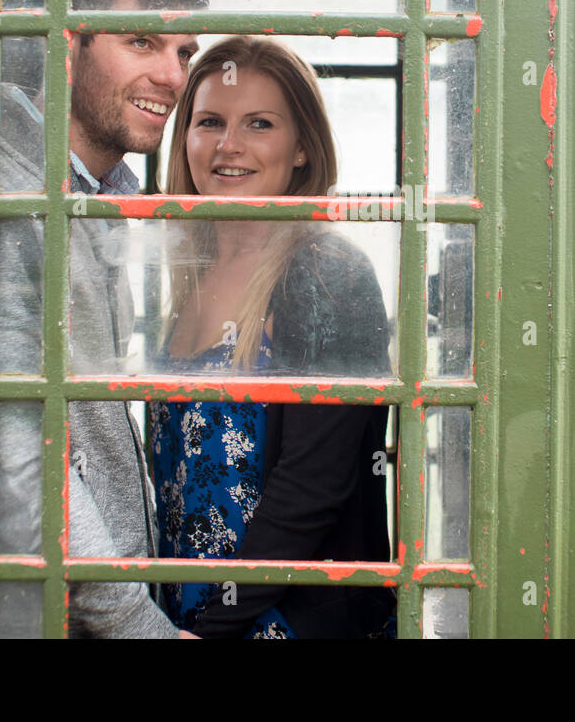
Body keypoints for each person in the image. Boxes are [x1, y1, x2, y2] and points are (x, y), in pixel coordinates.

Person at [149, 36, 396, 639]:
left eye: (259, 124)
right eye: (209, 122)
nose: (228, 146)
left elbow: (316, 485)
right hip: (181, 618)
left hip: (281, 623)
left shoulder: (326, 272)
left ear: (303, 148)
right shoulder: (186, 274)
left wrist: (215, 627)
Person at [0, 0, 206, 638]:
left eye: (184, 50)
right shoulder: (8, 189)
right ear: (70, 38)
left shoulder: (105, 195)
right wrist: (136, 624)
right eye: (141, 41)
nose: (172, 76)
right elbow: (17, 450)